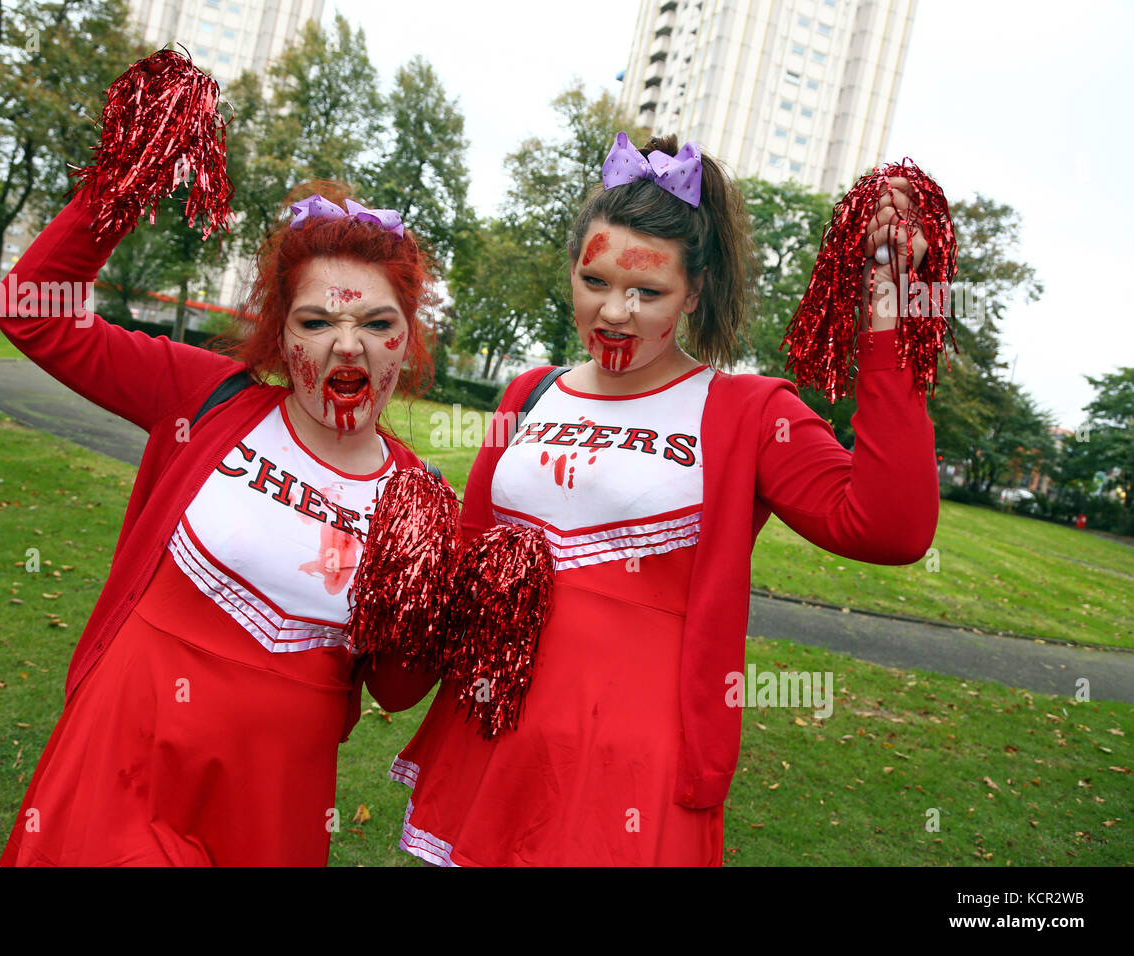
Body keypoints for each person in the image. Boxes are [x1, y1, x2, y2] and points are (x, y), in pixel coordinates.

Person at [389, 133, 941, 866]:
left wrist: (888, 317)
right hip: (488, 729)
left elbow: (891, 528)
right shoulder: (530, 392)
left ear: (696, 293)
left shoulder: (745, 411)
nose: (615, 312)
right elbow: (466, 555)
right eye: (596, 281)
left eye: (648, 292)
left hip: (628, 765)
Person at [0, 181, 441, 866]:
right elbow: (32, 314)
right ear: (279, 329)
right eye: (316, 322)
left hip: (272, 801)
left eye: (377, 325)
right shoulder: (206, 398)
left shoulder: (418, 496)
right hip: (126, 758)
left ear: (405, 341)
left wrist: (444, 594)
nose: (347, 348)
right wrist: (115, 188)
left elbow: (397, 689)